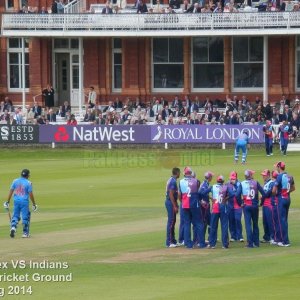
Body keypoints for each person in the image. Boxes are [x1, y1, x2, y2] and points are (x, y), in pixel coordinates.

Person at [3, 169, 37, 238]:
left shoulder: (15, 181)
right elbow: (31, 194)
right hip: (24, 202)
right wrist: (34, 204)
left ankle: (13, 227)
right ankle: (25, 233)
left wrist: (7, 201)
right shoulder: (29, 183)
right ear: (28, 175)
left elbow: (11, 191)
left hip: (16, 201)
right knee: (25, 217)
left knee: (15, 215)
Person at [236, 170, 265, 248]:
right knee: (255, 224)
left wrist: (240, 203)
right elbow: (264, 194)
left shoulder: (242, 183)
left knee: (248, 224)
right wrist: (261, 203)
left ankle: (250, 243)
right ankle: (256, 243)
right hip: (255, 206)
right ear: (250, 175)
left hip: (246, 206)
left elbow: (237, 195)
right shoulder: (256, 182)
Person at [179, 167, 205, 249]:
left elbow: (179, 195)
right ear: (191, 173)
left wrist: (182, 202)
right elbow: (199, 193)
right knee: (198, 223)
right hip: (194, 204)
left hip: (185, 204)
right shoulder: (196, 181)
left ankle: (188, 244)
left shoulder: (180, 182)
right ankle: (201, 243)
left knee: (187, 224)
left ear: (184, 173)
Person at [272, 161, 295, 247]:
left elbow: (274, 190)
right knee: (285, 220)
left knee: (281, 220)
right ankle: (284, 239)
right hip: (288, 199)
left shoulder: (279, 176)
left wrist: (276, 195)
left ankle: (285, 241)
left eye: (276, 167)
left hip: (281, 200)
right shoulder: (290, 176)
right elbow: (293, 188)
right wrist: (286, 193)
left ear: (279, 167)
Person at [207, 175, 230, 249]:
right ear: (223, 181)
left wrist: (211, 198)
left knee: (213, 226)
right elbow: (233, 194)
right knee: (224, 226)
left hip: (215, 207)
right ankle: (224, 244)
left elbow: (202, 192)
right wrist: (226, 198)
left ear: (217, 181)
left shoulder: (212, 187)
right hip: (223, 207)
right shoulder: (226, 187)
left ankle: (212, 244)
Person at [165, 167, 180, 248]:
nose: (179, 174)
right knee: (171, 222)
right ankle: (169, 242)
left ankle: (173, 240)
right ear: (177, 173)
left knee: (173, 221)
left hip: (171, 202)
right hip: (170, 202)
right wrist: (174, 205)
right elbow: (171, 194)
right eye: (179, 173)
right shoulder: (173, 181)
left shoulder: (172, 180)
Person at [227, 171, 244, 242]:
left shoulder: (239, 184)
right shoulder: (227, 184)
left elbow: (240, 193)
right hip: (230, 205)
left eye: (233, 179)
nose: (232, 180)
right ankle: (233, 236)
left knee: (237, 220)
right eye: (231, 178)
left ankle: (239, 236)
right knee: (231, 220)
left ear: (236, 178)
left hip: (238, 205)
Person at [198, 171, 214, 243]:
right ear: (209, 177)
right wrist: (209, 189)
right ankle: (202, 239)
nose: (212, 178)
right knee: (204, 222)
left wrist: (210, 197)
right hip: (204, 207)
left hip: (206, 205)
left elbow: (204, 194)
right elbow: (201, 193)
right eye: (211, 177)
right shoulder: (204, 185)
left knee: (210, 222)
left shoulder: (206, 184)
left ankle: (210, 237)